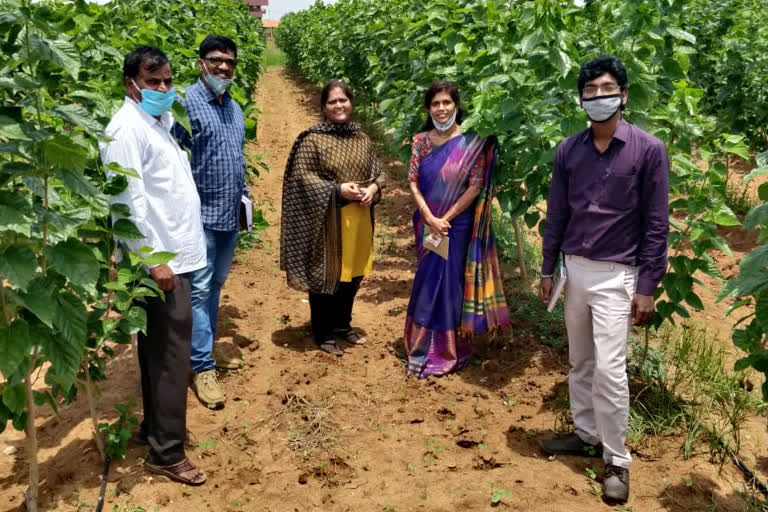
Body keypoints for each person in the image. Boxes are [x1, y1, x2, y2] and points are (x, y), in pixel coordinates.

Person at [538, 55, 669, 503]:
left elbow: (656, 224)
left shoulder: (647, 150)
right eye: (590, 91)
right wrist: (546, 266)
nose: (599, 97)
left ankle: (616, 459)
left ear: (624, 94)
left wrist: (648, 286)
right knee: (580, 361)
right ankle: (586, 434)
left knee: (611, 371)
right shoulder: (568, 150)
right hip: (574, 270)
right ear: (581, 98)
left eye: (607, 89)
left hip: (618, 275)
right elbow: (556, 214)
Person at [100, 46, 207, 485]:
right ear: (131, 84)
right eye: (153, 82)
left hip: (176, 254)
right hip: (161, 263)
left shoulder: (156, 122)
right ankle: (166, 453)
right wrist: (151, 260)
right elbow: (127, 202)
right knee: (171, 354)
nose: (163, 88)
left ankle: (153, 430)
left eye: (167, 80)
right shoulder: (126, 129)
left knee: (156, 348)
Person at [403, 81, 510, 378]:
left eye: (446, 103)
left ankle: (449, 349)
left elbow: (475, 186)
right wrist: (429, 217)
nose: (441, 109)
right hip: (428, 223)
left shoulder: (471, 142)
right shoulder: (421, 141)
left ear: (456, 106)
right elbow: (412, 181)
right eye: (435, 104)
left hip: (455, 226)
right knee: (428, 278)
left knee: (450, 283)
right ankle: (421, 344)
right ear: (428, 108)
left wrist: (445, 218)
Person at [280, 80, 385, 356]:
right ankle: (323, 331)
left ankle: (342, 324)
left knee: (353, 275)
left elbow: (379, 173)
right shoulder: (312, 139)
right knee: (326, 276)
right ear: (324, 107)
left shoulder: (361, 137)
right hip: (327, 222)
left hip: (360, 220)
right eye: (332, 102)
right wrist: (338, 189)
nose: (339, 105)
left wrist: (373, 189)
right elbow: (301, 178)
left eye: (343, 100)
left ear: (351, 102)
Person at [172, 35, 247, 410]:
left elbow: (238, 159)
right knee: (199, 291)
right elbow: (171, 164)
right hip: (198, 219)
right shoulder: (184, 104)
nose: (223, 67)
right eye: (216, 60)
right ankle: (202, 367)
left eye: (229, 62)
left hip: (228, 215)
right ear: (200, 62)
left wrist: (244, 199)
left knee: (215, 285)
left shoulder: (234, 108)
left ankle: (205, 351)